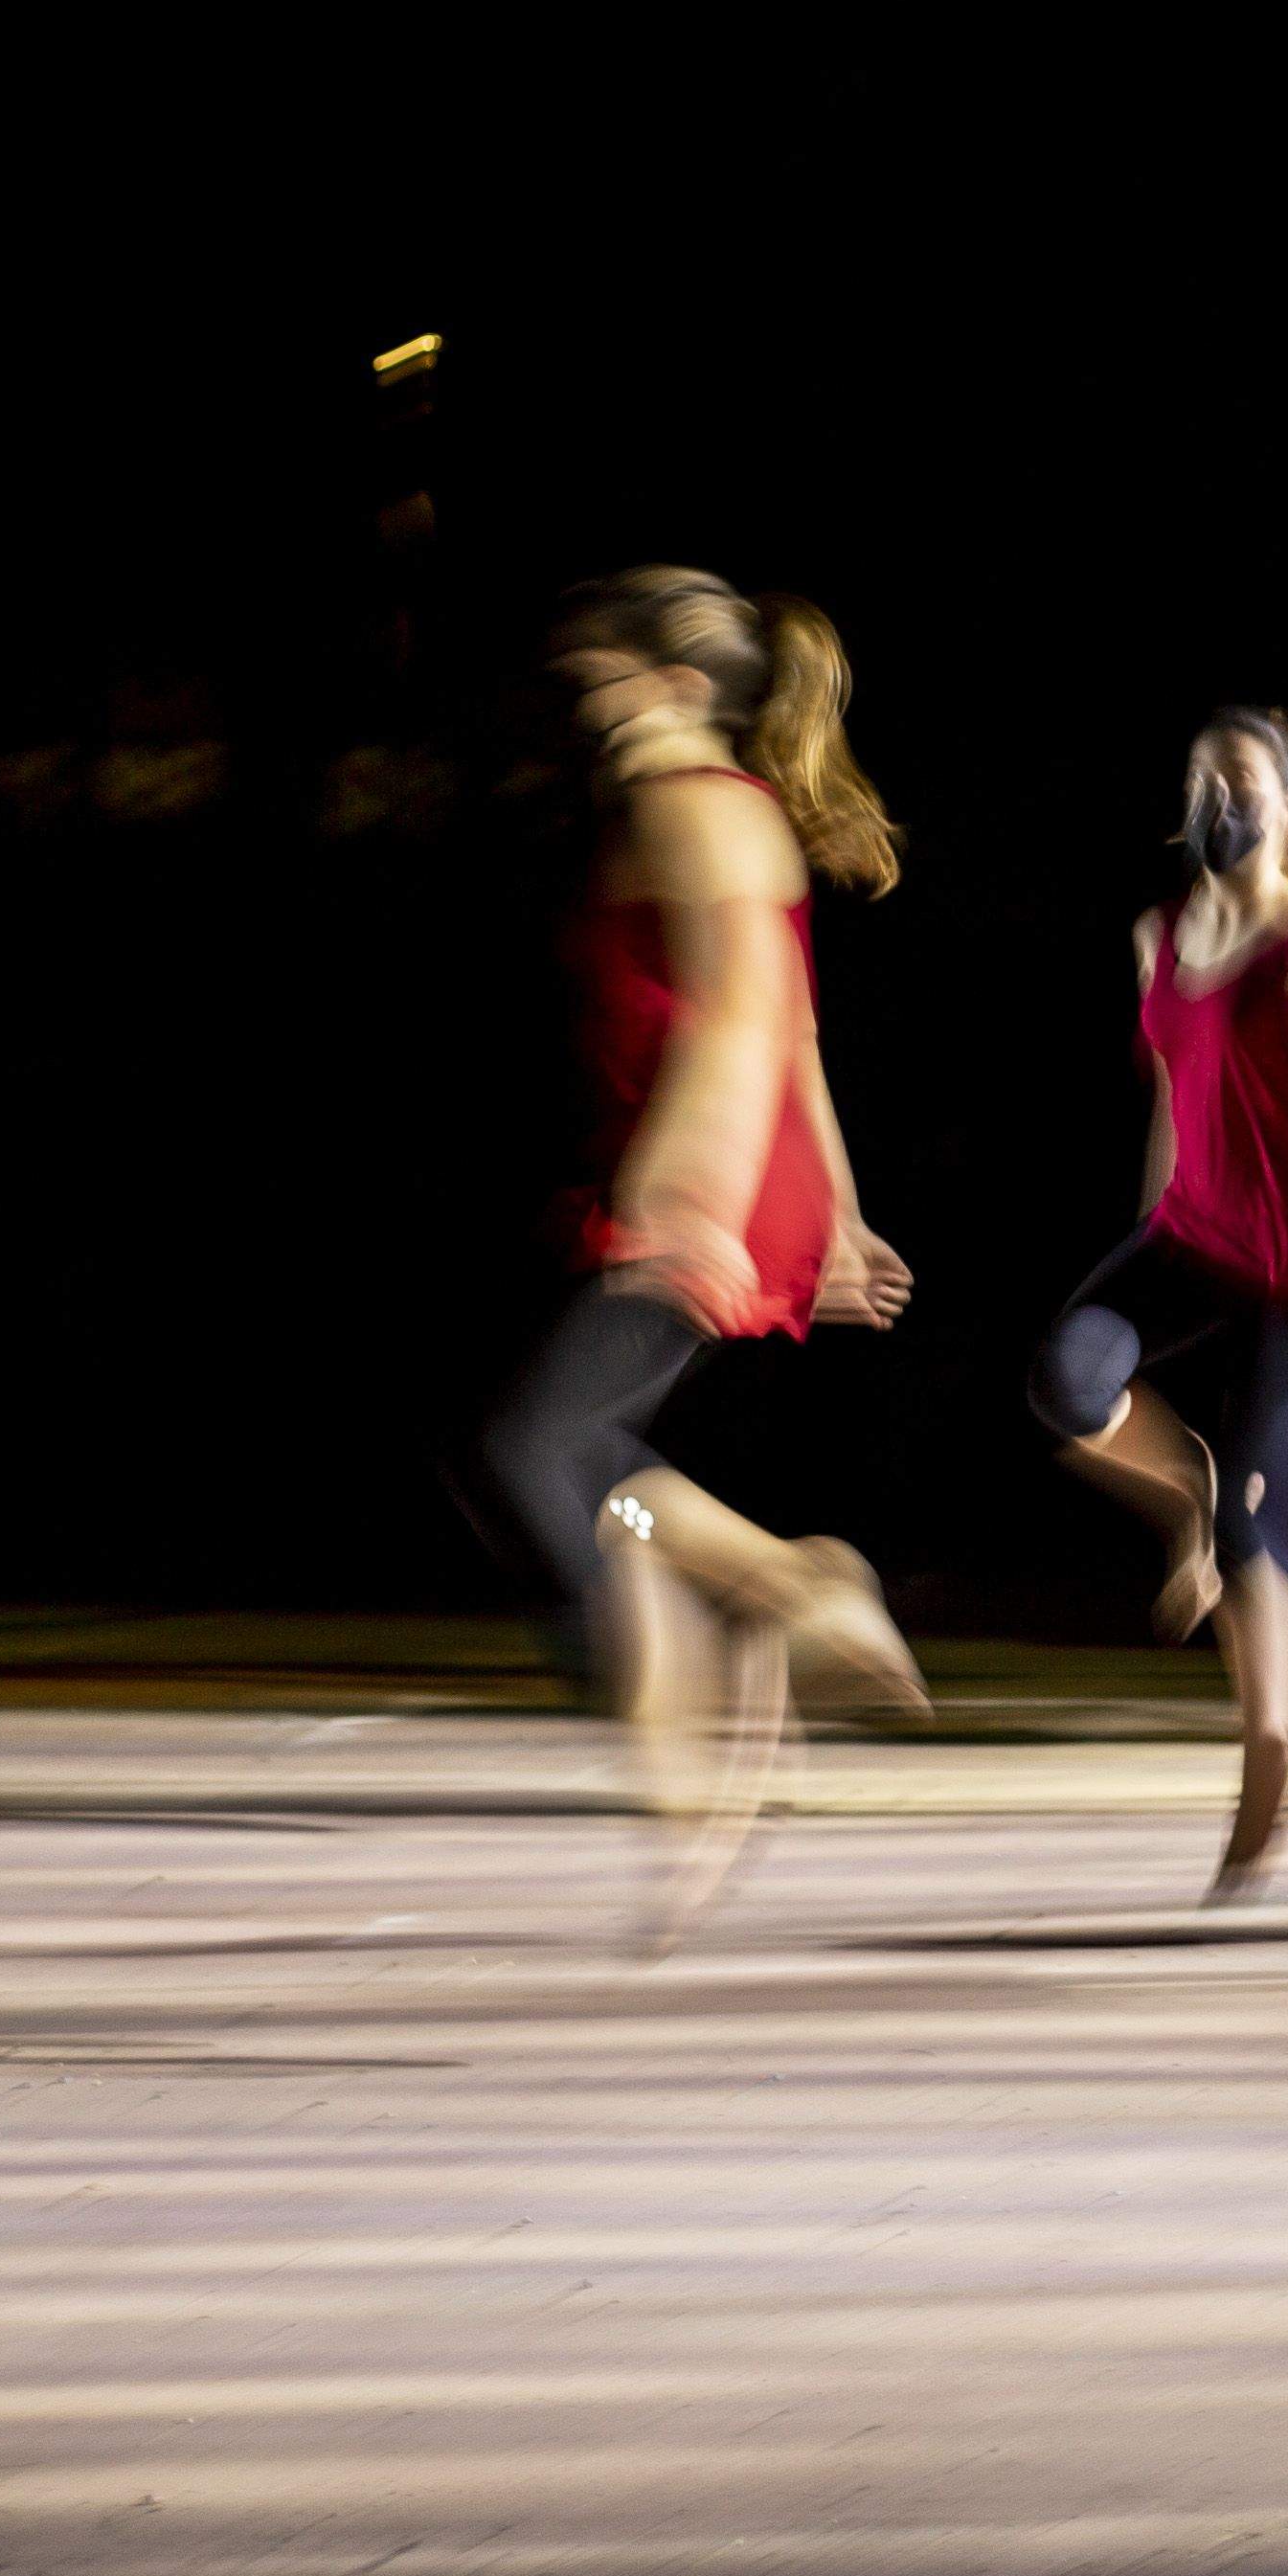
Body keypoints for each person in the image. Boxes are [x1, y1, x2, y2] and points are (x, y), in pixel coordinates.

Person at [479, 567, 923, 1942]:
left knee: (540, 1452)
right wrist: (835, 1213)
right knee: (578, 1455)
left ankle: (789, 1595)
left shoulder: (693, 808)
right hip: (717, 1172)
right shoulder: (715, 810)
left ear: (674, 686)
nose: (585, 705)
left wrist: (696, 1192)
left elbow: (740, 1022)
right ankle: (738, 1685)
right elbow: (793, 1029)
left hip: (697, 1178)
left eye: (602, 679)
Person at [1032, 709, 1288, 1902]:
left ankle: (1268, 1763)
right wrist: (1151, 1225)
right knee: (1066, 1381)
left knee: (1262, 1539)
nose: (1217, 796)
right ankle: (1185, 1493)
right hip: (1192, 1240)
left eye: (1240, 779)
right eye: (1202, 778)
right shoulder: (1160, 935)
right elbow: (1175, 1095)